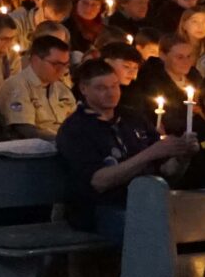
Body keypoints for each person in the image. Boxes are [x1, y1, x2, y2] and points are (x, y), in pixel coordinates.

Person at [53, 60, 192, 240]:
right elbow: (98, 182)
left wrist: (183, 156)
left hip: (147, 201)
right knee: (149, 231)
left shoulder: (132, 118)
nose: (111, 93)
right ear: (84, 89)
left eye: (114, 86)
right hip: (102, 208)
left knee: (197, 221)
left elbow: (166, 171)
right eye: (102, 88)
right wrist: (150, 153)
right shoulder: (76, 129)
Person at [0, 34, 76, 138]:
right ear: (35, 60)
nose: (62, 70)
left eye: (65, 65)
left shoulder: (61, 89)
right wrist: (62, 140)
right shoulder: (17, 86)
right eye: (56, 64)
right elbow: (24, 129)